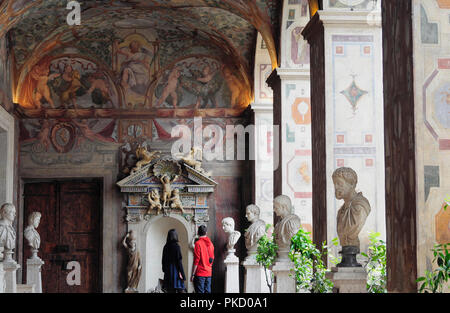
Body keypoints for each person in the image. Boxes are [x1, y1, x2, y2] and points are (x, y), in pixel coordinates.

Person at [191, 225, 214, 293]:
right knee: (208, 291)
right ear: (206, 233)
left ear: (198, 233)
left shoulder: (198, 243)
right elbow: (212, 258)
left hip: (200, 272)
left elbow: (196, 260)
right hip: (209, 272)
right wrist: (209, 267)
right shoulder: (211, 243)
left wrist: (193, 274)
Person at [162, 229, 186, 293]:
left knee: (170, 291)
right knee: (181, 290)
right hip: (175, 272)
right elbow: (179, 262)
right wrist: (183, 275)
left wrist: (165, 270)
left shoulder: (165, 247)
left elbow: (163, 260)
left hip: (168, 272)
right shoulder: (177, 247)